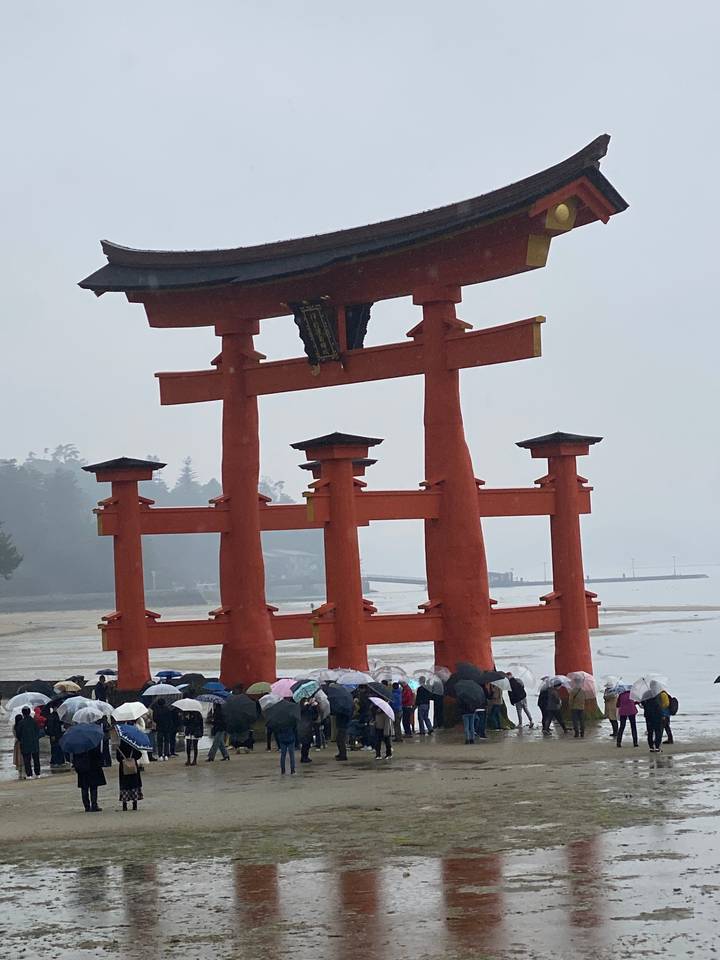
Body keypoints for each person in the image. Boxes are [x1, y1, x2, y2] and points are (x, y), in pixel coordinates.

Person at [73, 744, 106, 811]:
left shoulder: (77, 745)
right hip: (93, 767)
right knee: (93, 787)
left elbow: (75, 757)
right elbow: (98, 755)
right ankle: (94, 805)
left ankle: (87, 806)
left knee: (84, 787)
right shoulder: (92, 744)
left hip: (82, 768)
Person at [117, 740, 144, 811]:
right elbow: (139, 755)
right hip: (133, 766)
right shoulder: (133, 745)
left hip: (123, 767)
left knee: (124, 786)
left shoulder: (120, 746)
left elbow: (118, 758)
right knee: (134, 785)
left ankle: (124, 804)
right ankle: (134, 804)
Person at [16, 705, 41, 778]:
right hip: (34, 743)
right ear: (29, 712)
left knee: (27, 760)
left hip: (25, 744)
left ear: (23, 713)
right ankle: (37, 773)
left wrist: (22, 740)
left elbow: (18, 734)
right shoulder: (34, 721)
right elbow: (38, 731)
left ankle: (29, 774)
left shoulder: (21, 723)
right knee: (36, 759)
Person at [298, 699, 316, 764]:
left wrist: (313, 707)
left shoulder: (309, 707)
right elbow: (302, 711)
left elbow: (314, 716)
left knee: (307, 744)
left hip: (308, 726)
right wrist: (308, 705)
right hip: (304, 727)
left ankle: (305, 756)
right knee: (305, 743)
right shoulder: (301, 707)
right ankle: (304, 757)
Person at [12, 714, 26, 780]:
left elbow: (15, 735)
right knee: (23, 758)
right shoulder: (23, 726)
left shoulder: (14, 726)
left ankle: (20, 774)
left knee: (18, 759)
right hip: (23, 743)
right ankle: (24, 774)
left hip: (17, 743)